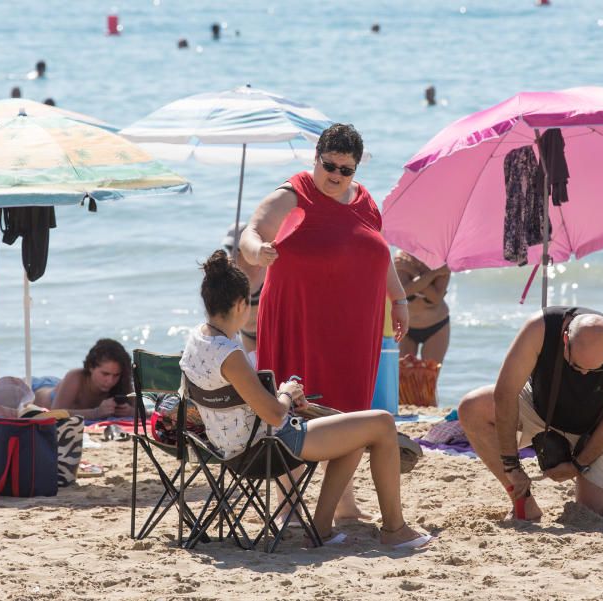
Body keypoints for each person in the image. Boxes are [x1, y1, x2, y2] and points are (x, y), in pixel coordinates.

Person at [180, 251, 430, 548]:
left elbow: (237, 397)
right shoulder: (229, 354)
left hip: (228, 444)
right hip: (263, 448)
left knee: (351, 429)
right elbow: (274, 415)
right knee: (382, 423)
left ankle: (322, 527)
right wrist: (285, 392)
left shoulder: (198, 339)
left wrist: (280, 396)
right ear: (239, 305)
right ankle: (394, 529)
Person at [239, 123, 409, 520]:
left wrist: (398, 297)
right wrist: (257, 251)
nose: (335, 175)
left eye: (345, 169)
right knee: (295, 406)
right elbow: (252, 231)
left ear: (356, 169)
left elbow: (380, 254)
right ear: (316, 158)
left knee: (348, 410)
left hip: (354, 326)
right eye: (329, 165)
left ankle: (345, 503)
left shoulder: (366, 202)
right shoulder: (294, 193)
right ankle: (288, 501)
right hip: (299, 319)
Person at [459, 307, 603, 521]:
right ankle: (523, 503)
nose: (583, 373)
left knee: (593, 511)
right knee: (472, 408)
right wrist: (511, 465)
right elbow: (505, 393)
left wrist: (577, 465)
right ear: (565, 339)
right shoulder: (540, 327)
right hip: (540, 408)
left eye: (594, 370)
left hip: (594, 427)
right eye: (576, 365)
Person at [33, 338, 134, 420]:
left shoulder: (122, 381)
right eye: (105, 374)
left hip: (60, 386)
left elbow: (144, 413)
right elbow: (55, 414)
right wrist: (96, 413)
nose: (110, 380)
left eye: (116, 375)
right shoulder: (76, 377)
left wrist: (130, 411)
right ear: (91, 367)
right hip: (38, 389)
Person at [394, 250, 451, 364]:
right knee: (404, 379)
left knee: (428, 378)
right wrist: (433, 274)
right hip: (407, 328)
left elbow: (436, 298)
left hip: (436, 326)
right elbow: (404, 292)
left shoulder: (443, 260)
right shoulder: (402, 257)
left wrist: (414, 275)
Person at [222, 223, 265, 357]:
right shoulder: (229, 276)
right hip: (245, 335)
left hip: (269, 332)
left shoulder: (267, 271)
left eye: (237, 249)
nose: (232, 253)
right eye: (229, 248)